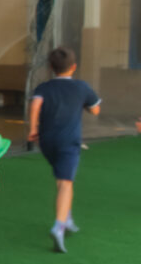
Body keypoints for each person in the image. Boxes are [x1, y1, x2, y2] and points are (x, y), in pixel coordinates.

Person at [27, 47, 100, 253]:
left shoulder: (44, 87)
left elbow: (35, 105)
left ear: (51, 68)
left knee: (62, 180)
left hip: (47, 142)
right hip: (69, 142)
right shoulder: (81, 87)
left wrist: (33, 129)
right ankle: (59, 226)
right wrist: (86, 105)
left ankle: (67, 219)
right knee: (66, 183)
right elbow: (95, 109)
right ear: (74, 67)